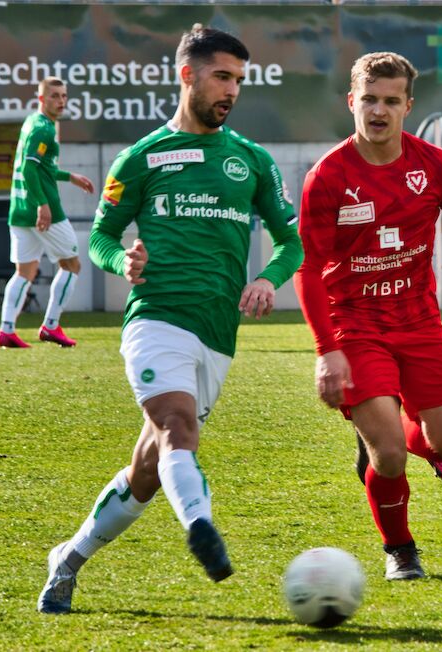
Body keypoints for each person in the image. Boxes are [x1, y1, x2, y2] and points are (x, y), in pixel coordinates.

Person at [36, 25, 303, 614]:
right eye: (221, 76)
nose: (231, 90)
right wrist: (121, 261)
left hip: (217, 334)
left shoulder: (252, 160)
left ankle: (70, 558)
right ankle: (202, 527)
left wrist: (267, 279)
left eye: (239, 79)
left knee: (149, 470)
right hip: (154, 319)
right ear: (188, 75)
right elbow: (103, 238)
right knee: (179, 429)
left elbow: (292, 242)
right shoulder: (141, 158)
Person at [294, 52, 442, 580]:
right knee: (388, 457)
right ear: (351, 101)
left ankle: (392, 419)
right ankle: (400, 550)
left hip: (419, 324)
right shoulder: (328, 177)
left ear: (408, 105)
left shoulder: (437, 166)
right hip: (353, 327)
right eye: (369, 100)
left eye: (390, 101)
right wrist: (325, 350)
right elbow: (309, 268)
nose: (378, 111)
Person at [0, 76, 95, 348]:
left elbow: (40, 166)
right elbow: (29, 169)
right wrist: (43, 204)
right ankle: (51, 326)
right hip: (42, 208)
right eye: (54, 96)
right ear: (41, 98)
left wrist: (68, 176)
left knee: (24, 272)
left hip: (18, 209)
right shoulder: (43, 129)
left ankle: (6, 330)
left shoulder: (33, 121)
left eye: (64, 96)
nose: (61, 101)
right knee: (72, 264)